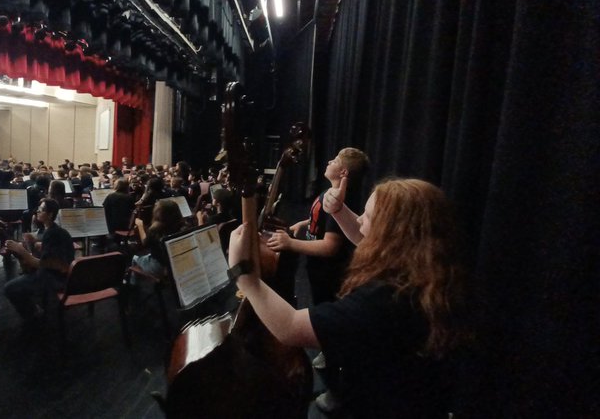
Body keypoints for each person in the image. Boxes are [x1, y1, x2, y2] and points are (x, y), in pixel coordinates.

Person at [226, 178, 466, 418]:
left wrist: (244, 278)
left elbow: (290, 327)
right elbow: (363, 239)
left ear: (391, 234)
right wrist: (339, 211)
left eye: (368, 216)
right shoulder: (429, 272)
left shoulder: (385, 299)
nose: (359, 219)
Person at [267, 147, 369, 305]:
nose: (329, 161)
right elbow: (323, 218)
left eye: (335, 161)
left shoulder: (342, 201)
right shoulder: (331, 193)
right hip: (316, 266)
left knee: (323, 306)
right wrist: (304, 223)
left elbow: (330, 246)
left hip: (327, 272)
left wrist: (290, 243)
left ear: (343, 172)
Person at [3, 199, 75, 321]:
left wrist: (20, 249)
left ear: (50, 214)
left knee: (9, 288)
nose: (37, 212)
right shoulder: (55, 231)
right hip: (59, 275)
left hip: (55, 279)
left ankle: (33, 315)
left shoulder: (52, 234)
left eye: (41, 210)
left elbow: (43, 264)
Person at [132, 200, 187, 279]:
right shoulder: (184, 227)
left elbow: (144, 243)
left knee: (135, 258)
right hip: (178, 265)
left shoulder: (155, 230)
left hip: (159, 267)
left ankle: (133, 285)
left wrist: (140, 226)